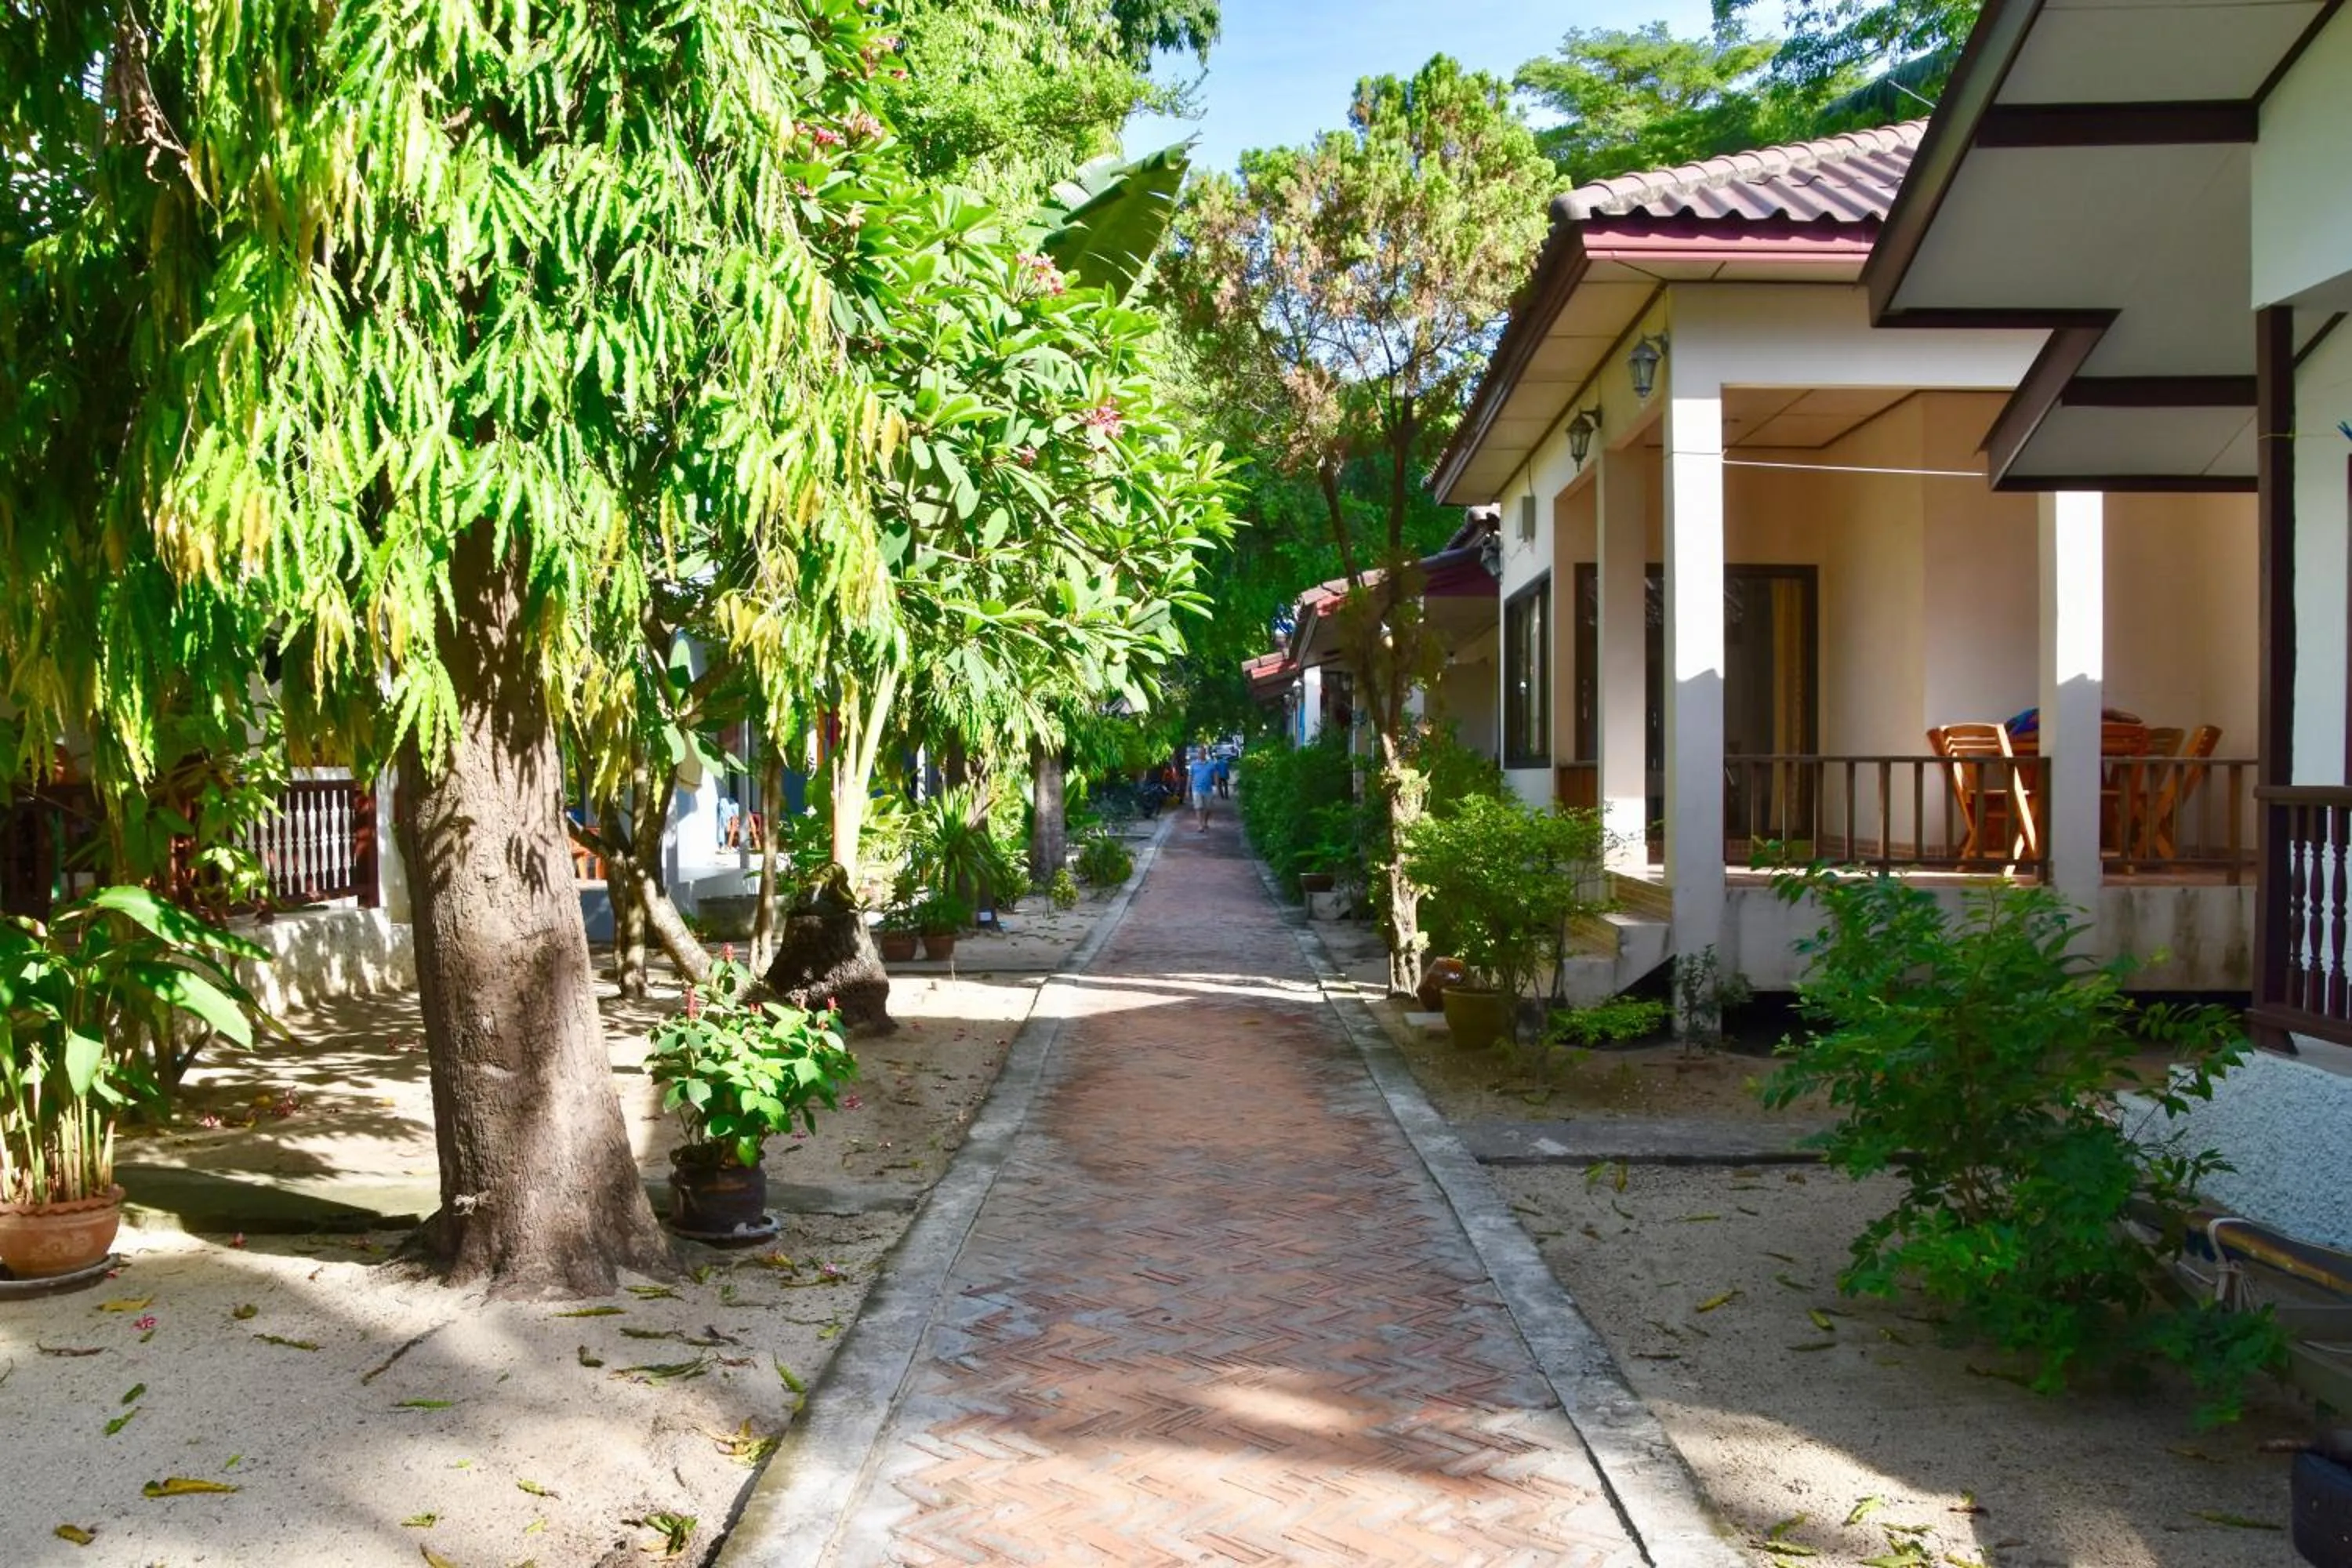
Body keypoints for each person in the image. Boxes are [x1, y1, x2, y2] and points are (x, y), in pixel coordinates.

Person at [1188, 747, 1218, 833]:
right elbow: (1190, 777)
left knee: (1208, 808)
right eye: (1199, 753)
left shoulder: (1211, 764)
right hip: (1196, 789)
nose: (1200, 754)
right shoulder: (1193, 764)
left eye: (1202, 753)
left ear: (1205, 754)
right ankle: (1200, 825)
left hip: (1208, 789)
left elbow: (1215, 775)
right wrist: (1188, 789)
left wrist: (1217, 787)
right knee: (1198, 807)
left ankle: (1205, 822)